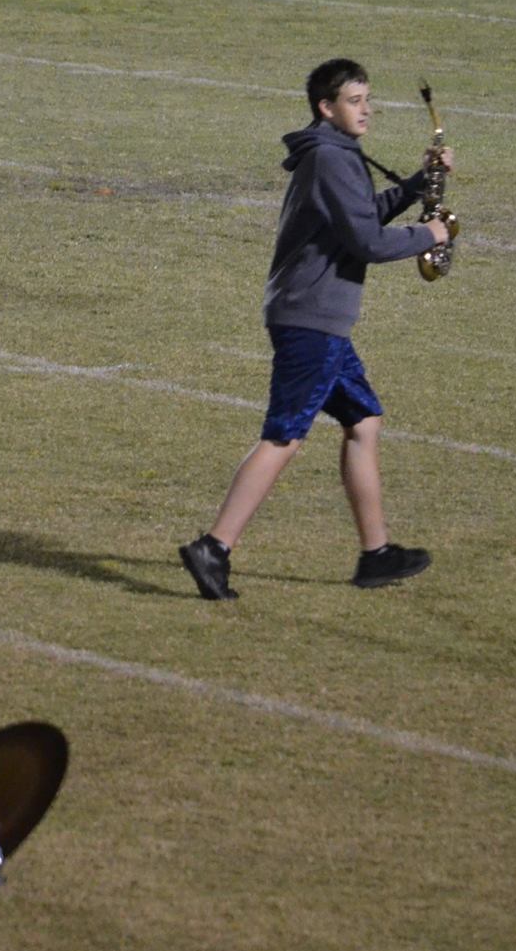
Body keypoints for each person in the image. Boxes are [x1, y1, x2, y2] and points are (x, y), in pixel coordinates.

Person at [178, 59, 453, 601]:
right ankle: (214, 546)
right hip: (311, 320)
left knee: (364, 421)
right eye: (354, 100)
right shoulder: (330, 158)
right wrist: (429, 234)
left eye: (367, 99)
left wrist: (418, 185)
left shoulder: (335, 154)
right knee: (284, 436)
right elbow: (367, 243)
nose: (366, 109)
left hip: (317, 318)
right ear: (327, 108)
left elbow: (360, 216)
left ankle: (376, 554)